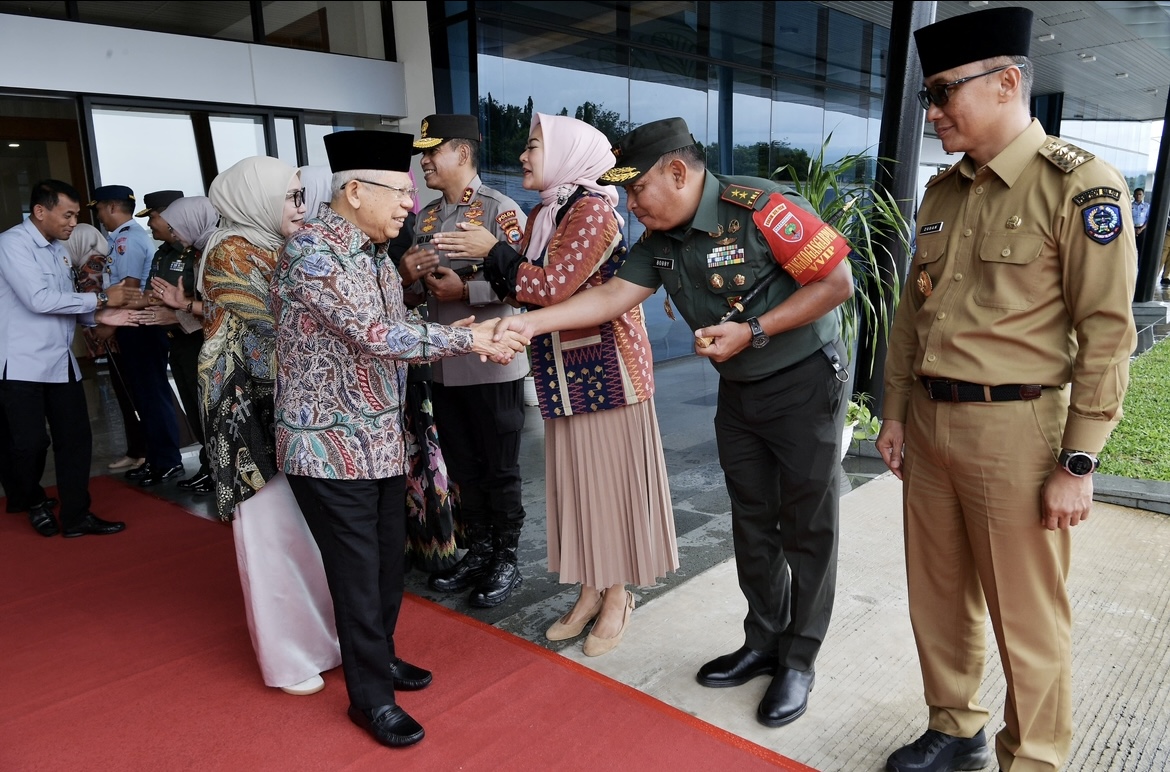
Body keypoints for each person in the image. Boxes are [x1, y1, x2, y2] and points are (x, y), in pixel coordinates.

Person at [487, 116, 853, 723]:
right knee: (753, 519)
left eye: (637, 190)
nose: (629, 204)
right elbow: (609, 297)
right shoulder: (662, 239)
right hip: (739, 390)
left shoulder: (760, 207)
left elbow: (835, 281)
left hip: (803, 383)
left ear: (678, 172)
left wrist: (754, 329)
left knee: (807, 526)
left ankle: (798, 660)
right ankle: (762, 642)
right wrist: (528, 322)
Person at [875, 8, 1138, 772]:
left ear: (1007, 82)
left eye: (944, 92)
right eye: (929, 94)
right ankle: (955, 729)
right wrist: (893, 412)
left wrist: (1078, 462)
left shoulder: (1080, 185)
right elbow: (910, 315)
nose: (932, 112)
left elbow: (1108, 334)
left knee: (1027, 617)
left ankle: (1035, 757)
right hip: (929, 423)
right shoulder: (944, 192)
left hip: (1018, 432)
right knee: (938, 596)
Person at [272, 129, 525, 749]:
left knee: (388, 567)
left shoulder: (368, 251)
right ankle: (371, 700)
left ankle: (378, 659)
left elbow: (398, 324)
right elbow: (373, 336)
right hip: (329, 448)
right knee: (358, 575)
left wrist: (456, 326)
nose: (410, 206)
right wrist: (470, 339)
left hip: (381, 441)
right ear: (355, 191)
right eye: (399, 194)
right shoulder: (314, 255)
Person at [437, 112, 681, 658]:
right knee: (581, 483)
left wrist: (490, 252)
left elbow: (549, 287)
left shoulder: (591, 210)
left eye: (534, 145)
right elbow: (530, 290)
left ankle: (618, 594)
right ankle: (591, 588)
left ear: (569, 153)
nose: (523, 156)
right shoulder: (553, 211)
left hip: (607, 372)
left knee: (609, 485)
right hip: (566, 371)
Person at [196, 156, 341, 696]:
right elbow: (283, 324)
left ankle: (323, 641)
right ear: (256, 198)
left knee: (303, 535)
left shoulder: (272, 244)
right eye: (290, 196)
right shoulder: (233, 251)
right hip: (245, 417)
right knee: (270, 539)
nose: (300, 207)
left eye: (303, 195)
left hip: (284, 408)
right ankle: (288, 658)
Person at [411, 113, 531, 607]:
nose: (424, 161)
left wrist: (468, 288)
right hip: (444, 360)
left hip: (491, 359)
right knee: (462, 463)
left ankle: (506, 557)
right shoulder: (427, 217)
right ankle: (480, 549)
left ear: (462, 153)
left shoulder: (500, 211)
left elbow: (525, 285)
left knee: (499, 467)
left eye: (432, 151)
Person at [0, 179, 135, 537]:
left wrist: (103, 317)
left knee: (75, 439)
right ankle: (31, 500)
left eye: (76, 215)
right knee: (28, 443)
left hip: (61, 362)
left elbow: (68, 305)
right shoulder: (12, 244)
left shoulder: (59, 250)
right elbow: (39, 300)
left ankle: (77, 516)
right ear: (40, 211)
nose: (74, 223)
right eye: (68, 214)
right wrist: (103, 300)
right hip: (22, 363)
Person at [91, 184, 184, 486]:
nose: (100, 216)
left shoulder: (127, 242)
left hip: (140, 324)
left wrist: (110, 325)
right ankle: (157, 459)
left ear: (111, 207)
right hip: (133, 322)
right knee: (143, 398)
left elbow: (129, 289)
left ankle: (167, 461)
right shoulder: (121, 239)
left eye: (100, 209)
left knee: (151, 395)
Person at [133, 193, 215, 495]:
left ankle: (216, 469)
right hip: (177, 341)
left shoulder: (204, 250)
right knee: (194, 409)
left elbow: (214, 305)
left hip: (199, 339)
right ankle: (209, 466)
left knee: (207, 409)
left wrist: (177, 313)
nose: (153, 224)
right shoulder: (168, 252)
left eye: (153, 216)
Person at [1132, 187, 1150, 254]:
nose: (1138, 196)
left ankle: (1140, 264)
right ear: (1134, 195)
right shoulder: (1130, 205)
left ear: (1143, 195)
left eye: (1140, 194)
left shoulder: (1147, 206)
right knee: (1131, 248)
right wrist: (1133, 229)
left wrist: (1141, 229)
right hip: (1132, 229)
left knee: (1141, 249)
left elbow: (1148, 219)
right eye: (1136, 194)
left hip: (1142, 229)